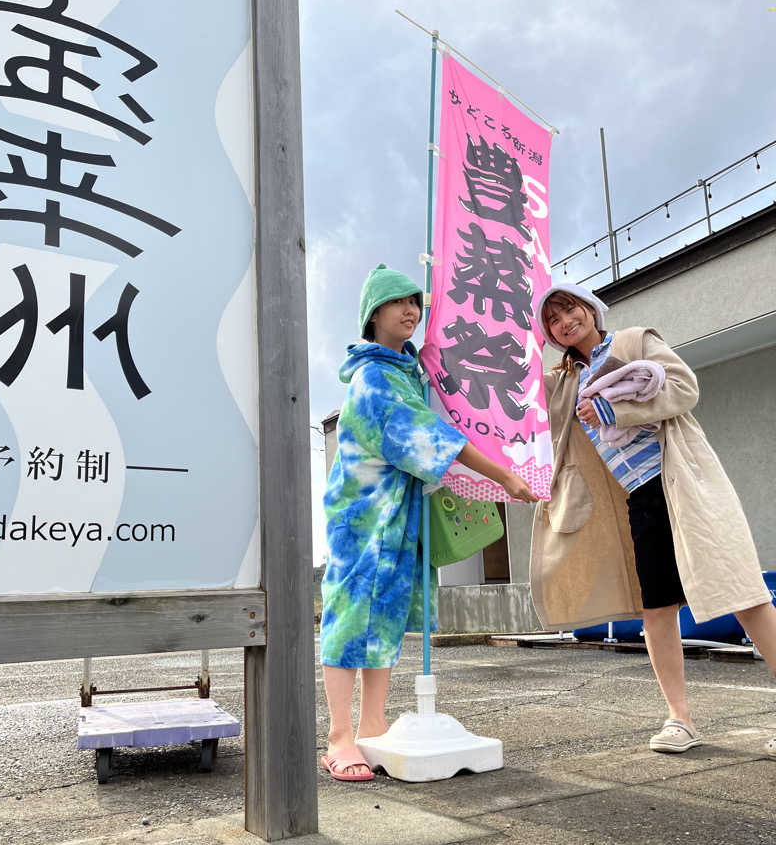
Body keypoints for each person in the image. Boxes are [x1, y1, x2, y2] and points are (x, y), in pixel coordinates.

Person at [530, 281, 776, 754]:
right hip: (638, 499)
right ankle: (679, 720)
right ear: (551, 335)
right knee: (657, 608)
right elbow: (516, 399)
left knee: (742, 593)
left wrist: (612, 407)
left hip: (683, 483)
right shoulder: (562, 381)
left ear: (590, 308)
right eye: (554, 320)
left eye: (570, 308)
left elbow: (684, 387)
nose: (565, 321)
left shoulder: (634, 341)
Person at [319, 263, 538, 780]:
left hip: (397, 515)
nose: (410, 312)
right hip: (363, 518)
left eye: (415, 303)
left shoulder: (407, 371)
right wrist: (502, 475)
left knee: (386, 619)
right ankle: (338, 736)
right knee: (351, 620)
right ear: (373, 314)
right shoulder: (375, 377)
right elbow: (425, 435)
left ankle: (371, 728)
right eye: (399, 302)